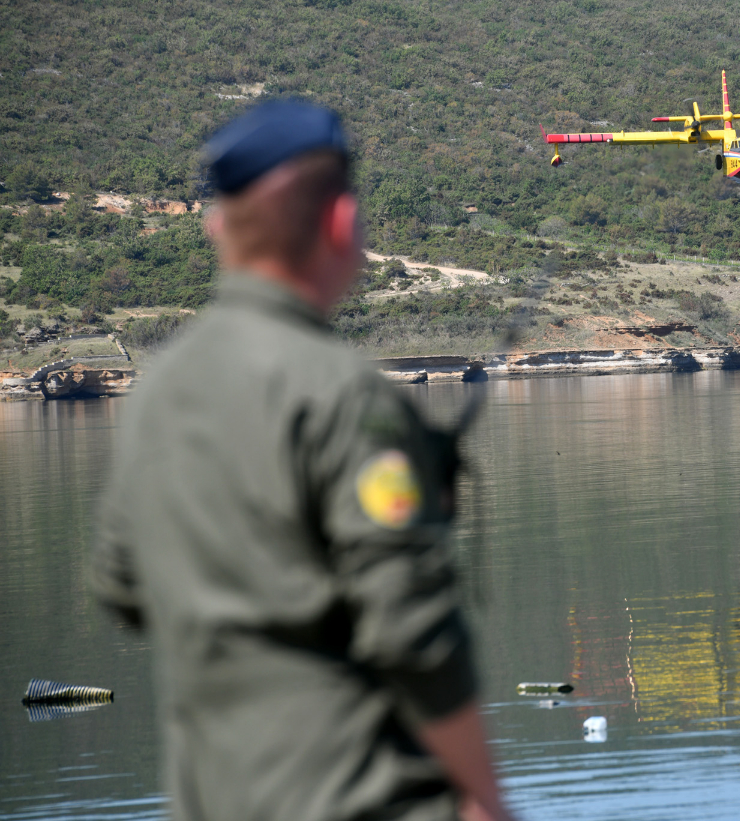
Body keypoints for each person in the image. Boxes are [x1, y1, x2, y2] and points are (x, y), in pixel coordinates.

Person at [90, 100, 515, 821]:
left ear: (217, 227)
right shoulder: (344, 395)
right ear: (342, 223)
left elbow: (121, 586)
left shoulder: (157, 389)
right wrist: (485, 799)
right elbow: (414, 633)